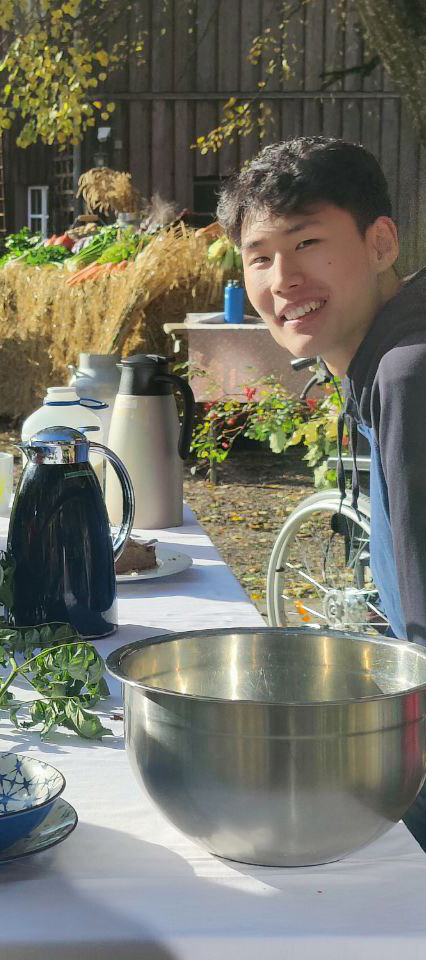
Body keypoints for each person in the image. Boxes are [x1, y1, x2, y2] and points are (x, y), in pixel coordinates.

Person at [218, 135, 426, 846]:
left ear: (380, 242)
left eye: (307, 242)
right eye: (259, 257)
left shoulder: (408, 374)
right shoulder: (389, 356)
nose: (282, 279)